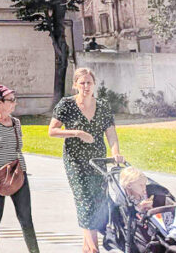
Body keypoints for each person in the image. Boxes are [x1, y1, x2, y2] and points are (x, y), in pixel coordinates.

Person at [49, 67, 124, 253]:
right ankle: (94, 249)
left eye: (89, 82)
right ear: (75, 85)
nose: (86, 86)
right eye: (82, 83)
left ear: (94, 84)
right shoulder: (66, 104)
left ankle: (87, 248)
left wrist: (116, 153)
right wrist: (77, 133)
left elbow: (111, 134)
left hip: (98, 162)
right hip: (75, 162)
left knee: (98, 201)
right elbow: (52, 131)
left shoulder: (104, 105)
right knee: (85, 201)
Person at [0, 85, 38, 253]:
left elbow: (18, 148)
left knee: (26, 217)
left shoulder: (16, 122)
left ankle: (34, 251)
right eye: (11, 100)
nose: (14, 103)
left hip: (18, 173)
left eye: (14, 99)